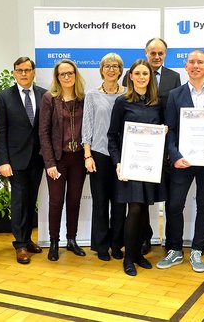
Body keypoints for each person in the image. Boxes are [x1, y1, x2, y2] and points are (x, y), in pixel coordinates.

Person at [156, 49, 204, 273]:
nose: (196, 66)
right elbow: (170, 131)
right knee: (175, 205)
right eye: (192, 62)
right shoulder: (175, 94)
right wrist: (175, 156)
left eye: (200, 62)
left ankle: (198, 249)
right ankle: (175, 250)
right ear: (186, 67)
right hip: (183, 161)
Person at [108, 59, 166, 276]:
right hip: (130, 166)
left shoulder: (158, 103)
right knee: (134, 209)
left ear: (150, 78)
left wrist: (164, 131)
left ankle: (138, 254)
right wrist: (118, 163)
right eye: (138, 73)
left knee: (144, 211)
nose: (142, 77)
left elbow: (162, 129)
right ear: (130, 76)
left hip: (150, 166)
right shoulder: (122, 102)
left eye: (146, 74)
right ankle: (128, 259)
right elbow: (112, 136)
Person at [123, 38, 181, 254]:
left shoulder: (174, 77)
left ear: (165, 54)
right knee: (139, 200)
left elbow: (173, 113)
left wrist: (168, 146)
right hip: (136, 152)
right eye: (153, 52)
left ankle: (168, 241)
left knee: (156, 196)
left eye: (161, 53)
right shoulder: (132, 76)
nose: (157, 56)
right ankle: (145, 239)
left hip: (162, 148)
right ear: (146, 53)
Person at [0, 57, 46, 264]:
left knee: (31, 198)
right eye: (19, 70)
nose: (24, 74)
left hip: (38, 158)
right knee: (19, 201)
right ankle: (20, 244)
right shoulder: (4, 97)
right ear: (14, 73)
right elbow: (1, 131)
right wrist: (3, 161)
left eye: (27, 70)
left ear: (33, 72)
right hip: (15, 160)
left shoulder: (44, 94)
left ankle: (27, 238)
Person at [39, 59, 87, 261]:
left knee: (74, 201)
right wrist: (49, 163)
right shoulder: (50, 98)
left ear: (75, 75)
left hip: (78, 160)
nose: (66, 77)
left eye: (70, 73)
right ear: (57, 77)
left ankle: (72, 239)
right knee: (56, 202)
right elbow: (44, 132)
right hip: (58, 160)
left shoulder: (84, 99)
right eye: (62, 74)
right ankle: (54, 242)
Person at [82, 53, 126, 261]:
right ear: (101, 70)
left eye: (115, 66)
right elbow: (87, 126)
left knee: (119, 203)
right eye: (107, 66)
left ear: (120, 70)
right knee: (100, 202)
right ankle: (101, 246)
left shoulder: (127, 94)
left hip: (122, 156)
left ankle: (117, 244)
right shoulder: (91, 95)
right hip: (98, 154)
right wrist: (87, 155)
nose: (111, 69)